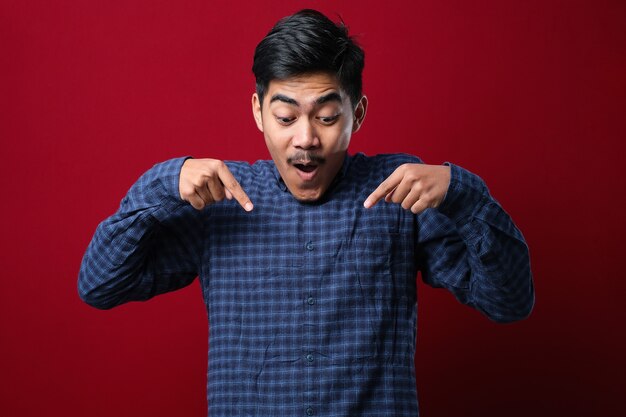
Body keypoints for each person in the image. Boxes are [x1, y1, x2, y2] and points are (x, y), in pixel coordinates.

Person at [78, 9, 534, 417]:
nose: (306, 139)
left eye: (327, 117)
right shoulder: (221, 201)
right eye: (286, 116)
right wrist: (162, 183)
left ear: (358, 113)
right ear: (258, 112)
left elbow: (508, 303)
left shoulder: (399, 191)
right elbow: (99, 284)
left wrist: (463, 193)